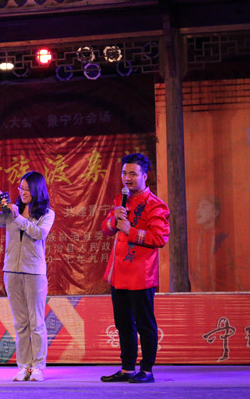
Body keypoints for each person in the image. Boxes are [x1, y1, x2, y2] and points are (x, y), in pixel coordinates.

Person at [100, 153, 170, 384]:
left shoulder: (155, 205)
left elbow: (159, 238)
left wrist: (130, 231)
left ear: (145, 176)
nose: (127, 178)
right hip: (119, 274)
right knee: (123, 324)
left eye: (132, 173)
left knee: (144, 324)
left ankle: (147, 370)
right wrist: (114, 220)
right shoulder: (121, 200)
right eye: (124, 173)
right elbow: (106, 228)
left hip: (141, 275)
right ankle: (127, 368)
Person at [0, 171, 55, 382]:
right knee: (20, 323)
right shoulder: (11, 210)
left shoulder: (47, 213)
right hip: (11, 271)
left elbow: (39, 233)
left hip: (34, 272)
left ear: (36, 190)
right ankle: (24, 366)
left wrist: (18, 217)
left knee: (36, 322)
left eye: (26, 189)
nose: (22, 192)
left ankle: (38, 366)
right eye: (21, 188)